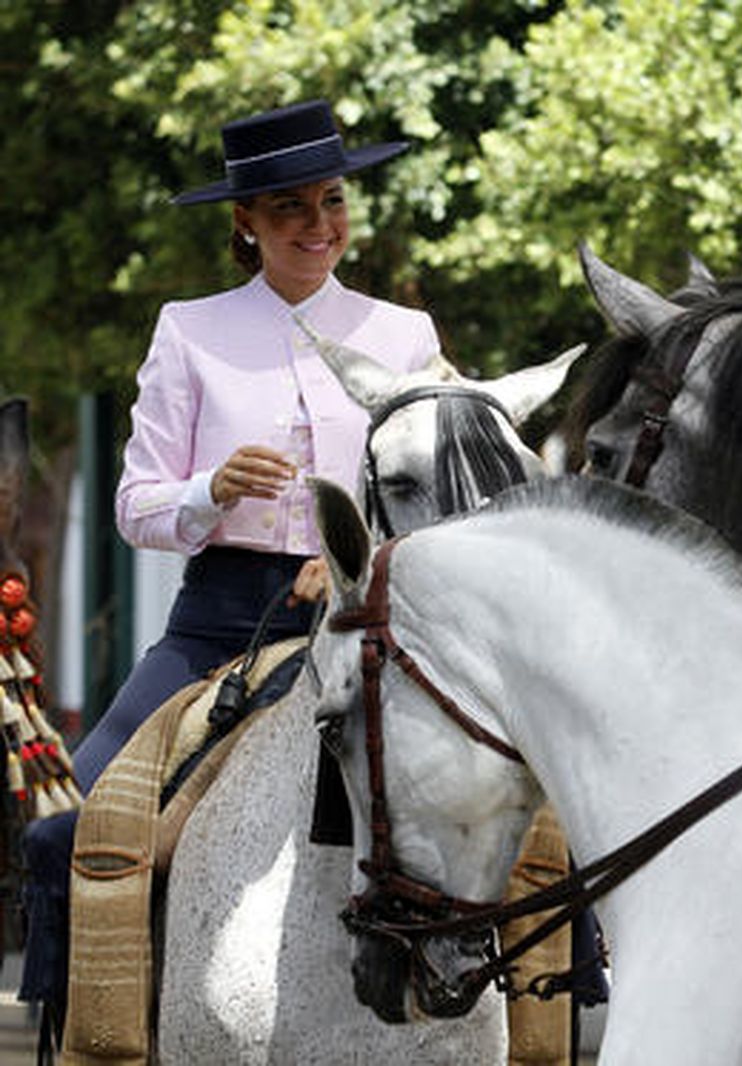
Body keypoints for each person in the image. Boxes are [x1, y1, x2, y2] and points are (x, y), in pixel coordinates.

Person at [19, 99, 441, 1039]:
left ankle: (547, 1021)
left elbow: (441, 488)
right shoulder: (189, 331)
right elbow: (135, 507)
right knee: (73, 833)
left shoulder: (406, 336)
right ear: (244, 223)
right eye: (289, 208)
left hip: (372, 619)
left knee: (533, 820)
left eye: (331, 201)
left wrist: (351, 558)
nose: (319, 226)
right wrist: (210, 490)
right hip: (218, 623)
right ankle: (90, 1039)